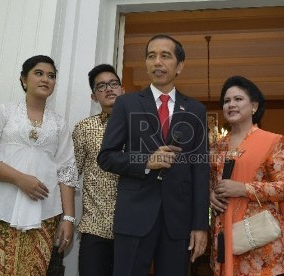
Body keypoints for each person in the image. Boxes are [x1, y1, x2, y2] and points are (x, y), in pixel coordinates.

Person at [97, 34, 210, 276]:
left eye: (165, 56)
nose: (157, 62)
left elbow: (200, 171)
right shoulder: (126, 104)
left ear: (180, 65)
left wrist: (200, 225)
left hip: (178, 222)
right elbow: (106, 157)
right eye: (151, 56)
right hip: (134, 216)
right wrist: (145, 161)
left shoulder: (195, 110)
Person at [0, 55, 78, 275]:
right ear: (23, 79)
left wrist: (68, 217)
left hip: (43, 215)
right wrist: (19, 179)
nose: (45, 79)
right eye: (38, 73)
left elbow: (67, 172)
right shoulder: (5, 112)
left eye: (51, 76)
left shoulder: (59, 124)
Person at [209, 75, 284, 276]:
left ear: (253, 106)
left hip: (260, 242)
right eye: (226, 101)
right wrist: (210, 196)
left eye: (238, 99)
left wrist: (244, 188)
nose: (231, 105)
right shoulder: (216, 147)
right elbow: (210, 185)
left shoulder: (271, 141)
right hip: (224, 236)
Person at [72, 64, 124, 275]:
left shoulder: (141, 126)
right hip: (95, 227)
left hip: (131, 227)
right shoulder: (84, 128)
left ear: (122, 89)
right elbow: (70, 173)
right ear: (94, 97)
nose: (109, 89)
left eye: (113, 84)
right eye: (101, 86)